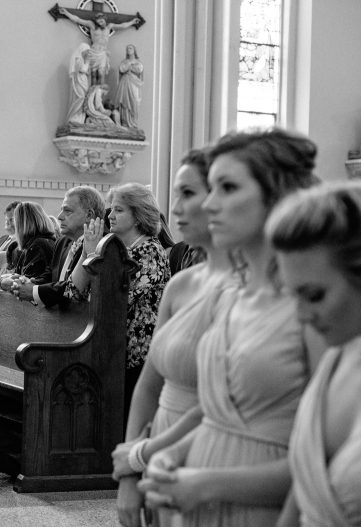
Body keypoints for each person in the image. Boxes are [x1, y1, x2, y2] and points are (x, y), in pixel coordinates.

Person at [138, 128, 322, 526]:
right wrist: (171, 454)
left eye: (228, 187)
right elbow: (213, 414)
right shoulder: (233, 293)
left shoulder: (310, 304)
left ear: (276, 195)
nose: (210, 204)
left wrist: (206, 484)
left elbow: (323, 455)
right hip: (194, 501)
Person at [111, 150, 232, 527]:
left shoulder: (246, 290)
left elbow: (219, 401)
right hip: (157, 448)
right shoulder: (181, 285)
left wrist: (139, 455)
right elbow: (150, 384)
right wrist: (130, 473)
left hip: (206, 453)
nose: (175, 208)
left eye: (188, 193)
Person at [266, 181, 361, 527]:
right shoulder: (337, 356)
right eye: (292, 295)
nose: (301, 316)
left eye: (314, 296)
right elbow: (299, 496)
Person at [68, 183, 170, 414]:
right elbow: (73, 292)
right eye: (111, 209)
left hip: (135, 360)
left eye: (119, 210)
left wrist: (93, 256)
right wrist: (86, 253)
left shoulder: (150, 252)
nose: (110, 216)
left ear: (138, 216)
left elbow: (108, 301)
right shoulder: (116, 250)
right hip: (109, 351)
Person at [6, 186, 105, 308]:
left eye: (67, 211)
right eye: (61, 210)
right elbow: (50, 277)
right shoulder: (62, 242)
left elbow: (73, 290)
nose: (59, 216)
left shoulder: (101, 245)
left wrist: (34, 291)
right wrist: (26, 282)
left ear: (89, 215)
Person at [57, 8, 142, 85]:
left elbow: (122, 26)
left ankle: (99, 94)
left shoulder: (109, 26)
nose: (100, 23)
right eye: (98, 21)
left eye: (101, 21)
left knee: (101, 74)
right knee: (93, 75)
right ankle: (92, 94)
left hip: (102, 53)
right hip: (93, 52)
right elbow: (78, 19)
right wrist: (66, 13)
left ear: (105, 19)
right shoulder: (92, 25)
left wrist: (132, 22)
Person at [5, 202, 56, 284]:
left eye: (14, 221)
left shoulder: (37, 245)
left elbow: (26, 285)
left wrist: (6, 280)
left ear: (21, 224)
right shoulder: (46, 241)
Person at [114, 44, 144, 129]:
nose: (128, 50)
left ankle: (133, 122)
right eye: (127, 48)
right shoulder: (124, 62)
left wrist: (129, 66)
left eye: (130, 48)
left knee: (134, 101)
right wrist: (130, 65)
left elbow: (139, 69)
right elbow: (121, 69)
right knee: (124, 101)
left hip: (134, 83)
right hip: (124, 83)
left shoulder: (138, 62)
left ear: (134, 50)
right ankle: (125, 123)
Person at [66, 43, 91, 124]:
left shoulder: (82, 60)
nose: (87, 54)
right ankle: (74, 117)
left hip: (83, 81)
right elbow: (82, 70)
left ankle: (80, 118)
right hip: (79, 81)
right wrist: (87, 62)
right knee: (80, 97)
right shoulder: (78, 59)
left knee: (83, 99)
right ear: (82, 50)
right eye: (87, 51)